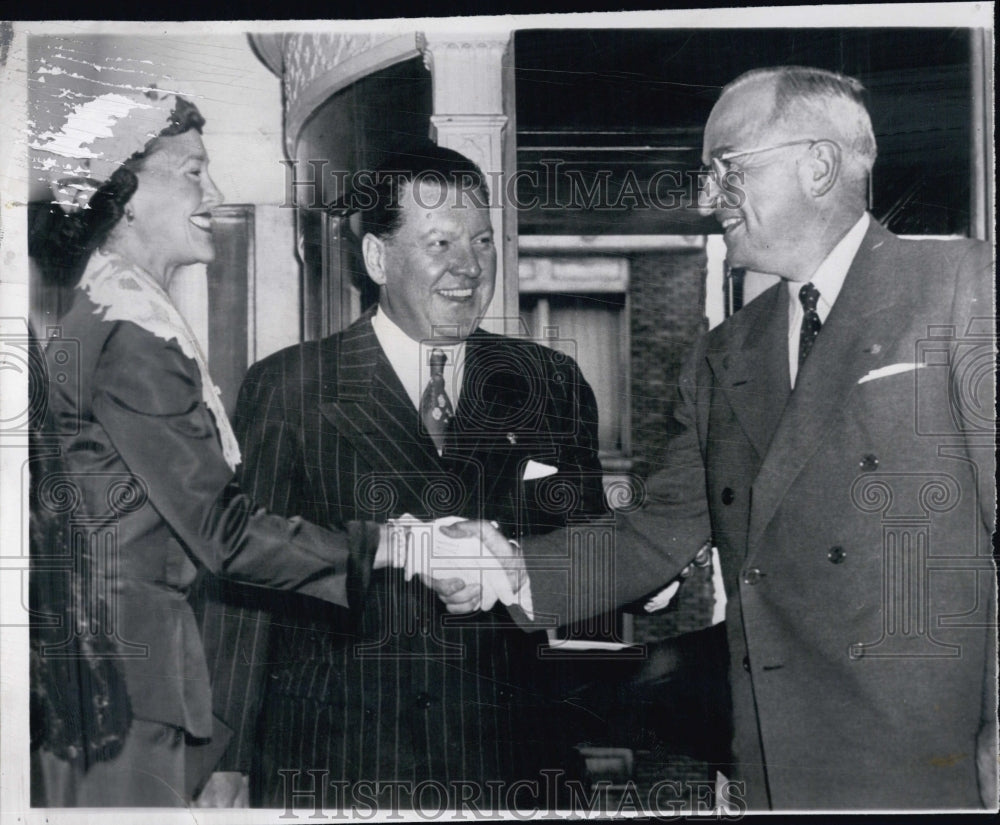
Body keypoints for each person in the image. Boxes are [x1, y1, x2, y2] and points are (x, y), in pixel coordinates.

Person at [456, 65, 996, 810]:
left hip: (931, 766)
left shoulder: (964, 286)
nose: (709, 197)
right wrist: (508, 568)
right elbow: (655, 533)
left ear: (818, 164)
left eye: (727, 169)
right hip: (773, 764)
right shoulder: (726, 351)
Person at [205, 143, 609, 808]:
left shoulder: (548, 379)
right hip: (339, 755)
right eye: (441, 242)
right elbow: (250, 578)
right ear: (376, 258)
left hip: (510, 756)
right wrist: (226, 756)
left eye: (482, 240)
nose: (469, 267)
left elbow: (591, 547)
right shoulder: (291, 385)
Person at [29, 91, 385, 807]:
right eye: (193, 171)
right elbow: (222, 534)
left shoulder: (94, 310)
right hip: (124, 682)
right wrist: (387, 552)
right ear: (123, 197)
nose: (215, 193)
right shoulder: (132, 335)